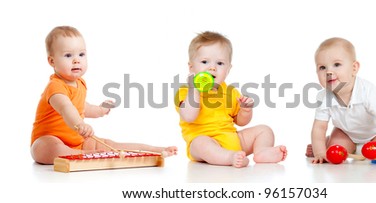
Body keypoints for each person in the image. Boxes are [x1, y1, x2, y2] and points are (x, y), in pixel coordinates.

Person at [30, 26, 177, 164]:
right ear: (52, 61)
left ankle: (155, 150)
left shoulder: (80, 83)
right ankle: (76, 154)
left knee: (110, 145)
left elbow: (81, 107)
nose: (76, 60)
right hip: (50, 139)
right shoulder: (55, 86)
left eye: (81, 54)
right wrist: (80, 124)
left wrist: (100, 110)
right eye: (68, 55)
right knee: (44, 147)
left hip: (78, 142)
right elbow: (66, 108)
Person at [175, 31, 287, 168]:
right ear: (191, 67)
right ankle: (229, 157)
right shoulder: (185, 91)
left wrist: (245, 110)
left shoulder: (230, 92)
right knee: (201, 143)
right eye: (204, 62)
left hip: (232, 138)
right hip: (205, 142)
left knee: (264, 130)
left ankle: (261, 152)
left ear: (228, 69)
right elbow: (189, 116)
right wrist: (195, 89)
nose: (212, 67)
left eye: (220, 63)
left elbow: (240, 122)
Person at [306, 37, 376, 164]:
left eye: (337, 64)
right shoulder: (324, 97)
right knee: (333, 152)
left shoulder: (366, 90)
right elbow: (319, 127)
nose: (329, 72)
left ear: (354, 68)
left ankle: (359, 147)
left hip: (375, 133)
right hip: (346, 133)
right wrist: (320, 152)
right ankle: (325, 143)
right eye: (322, 67)